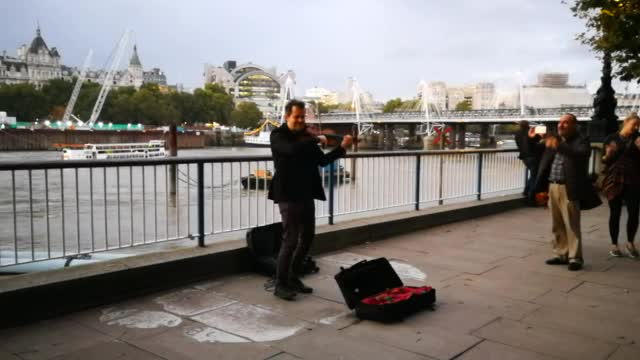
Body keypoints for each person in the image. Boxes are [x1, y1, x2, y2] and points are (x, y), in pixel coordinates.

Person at [268, 99, 353, 300]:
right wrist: (316, 139)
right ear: (287, 116)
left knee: (307, 238)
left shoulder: (306, 137)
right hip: (288, 193)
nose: (300, 120)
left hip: (306, 192)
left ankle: (293, 277)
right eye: (297, 116)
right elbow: (290, 150)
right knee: (290, 239)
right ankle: (280, 284)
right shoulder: (278, 135)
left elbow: (322, 161)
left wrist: (342, 148)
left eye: (303, 116)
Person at [533, 113, 600, 271]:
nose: (560, 125)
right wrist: (530, 139)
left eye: (565, 123)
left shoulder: (581, 140)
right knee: (557, 224)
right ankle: (561, 254)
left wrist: (559, 145)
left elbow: (580, 155)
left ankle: (575, 258)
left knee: (571, 224)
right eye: (560, 122)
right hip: (553, 186)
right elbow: (534, 151)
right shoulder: (555, 138)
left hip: (569, 187)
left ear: (574, 125)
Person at [601, 113, 640, 258]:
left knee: (634, 212)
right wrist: (608, 154)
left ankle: (630, 243)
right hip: (614, 179)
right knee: (615, 212)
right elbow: (604, 160)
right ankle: (614, 245)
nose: (636, 128)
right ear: (626, 122)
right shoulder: (611, 138)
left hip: (634, 179)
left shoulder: (638, 138)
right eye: (634, 124)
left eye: (638, 126)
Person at [515, 120, 542, 203]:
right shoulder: (531, 131)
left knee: (533, 175)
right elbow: (538, 139)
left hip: (524, 157)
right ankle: (530, 197)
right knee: (535, 175)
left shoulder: (517, 134)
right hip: (533, 156)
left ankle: (526, 191)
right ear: (527, 125)